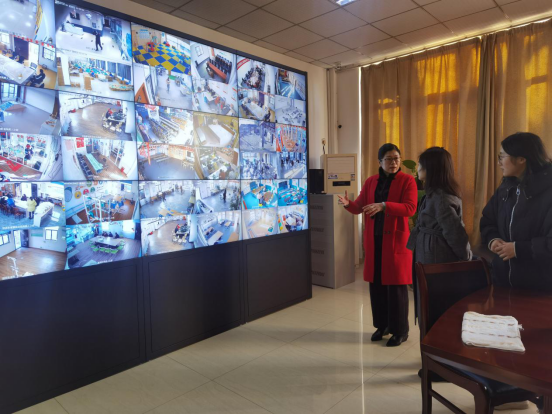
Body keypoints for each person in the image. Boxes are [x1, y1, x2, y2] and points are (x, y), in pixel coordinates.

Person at [339, 143, 417, 347]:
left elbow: (410, 208)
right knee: (377, 286)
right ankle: (382, 326)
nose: (394, 163)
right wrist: (348, 204)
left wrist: (384, 206)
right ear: (379, 162)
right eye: (389, 159)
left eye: (397, 158)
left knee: (396, 288)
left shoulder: (407, 180)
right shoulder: (371, 181)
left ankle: (400, 330)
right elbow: (360, 207)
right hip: (375, 240)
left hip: (395, 241)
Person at [481, 132, 552, 291]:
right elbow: (488, 221)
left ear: (521, 159)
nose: (499, 162)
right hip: (503, 283)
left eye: (502, 156)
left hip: (541, 289)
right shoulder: (505, 188)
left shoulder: (548, 191)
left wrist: (518, 249)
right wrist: (493, 239)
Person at [407, 147, 472, 264]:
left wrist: (466, 256)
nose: (418, 168)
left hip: (436, 255)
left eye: (420, 164)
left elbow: (455, 233)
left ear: (431, 168)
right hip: (429, 250)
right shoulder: (433, 193)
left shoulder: (441, 198)